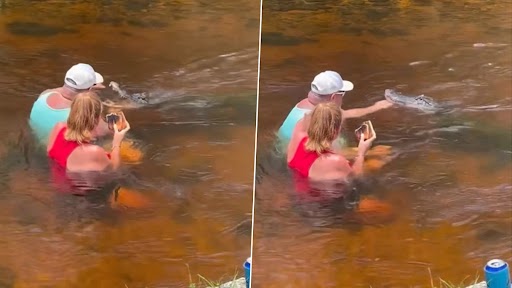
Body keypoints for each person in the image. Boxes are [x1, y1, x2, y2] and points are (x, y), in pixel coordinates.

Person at [277, 70, 393, 144]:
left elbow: (345, 113)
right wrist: (364, 151)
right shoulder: (322, 120)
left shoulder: (305, 104)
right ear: (333, 97)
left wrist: (376, 107)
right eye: (342, 94)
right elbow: (325, 154)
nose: (343, 98)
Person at [287, 102, 376, 182]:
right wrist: (361, 153)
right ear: (335, 132)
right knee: (377, 165)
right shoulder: (336, 161)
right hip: (322, 199)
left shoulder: (298, 136)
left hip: (297, 191)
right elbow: (356, 178)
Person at [46, 91, 130, 172]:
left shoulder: (58, 128)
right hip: (82, 186)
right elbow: (114, 169)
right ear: (96, 119)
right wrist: (116, 142)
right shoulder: (94, 152)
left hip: (58, 181)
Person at [29, 63, 110, 144]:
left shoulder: (45, 94)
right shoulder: (83, 114)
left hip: (46, 147)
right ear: (90, 89)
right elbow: (109, 131)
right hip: (67, 155)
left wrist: (88, 88)